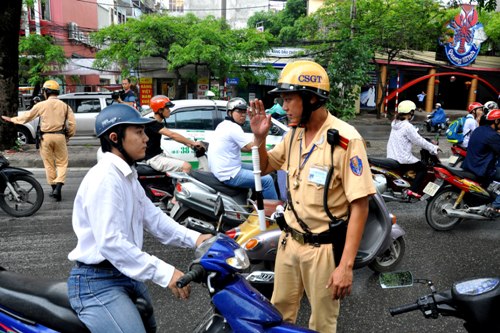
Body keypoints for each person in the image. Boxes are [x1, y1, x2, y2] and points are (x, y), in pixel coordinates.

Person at [249, 60, 375, 333]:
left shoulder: (345, 139)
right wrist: (259, 139)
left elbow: (360, 206)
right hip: (289, 243)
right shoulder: (294, 133)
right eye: (283, 99)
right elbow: (268, 165)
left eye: (289, 99)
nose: (284, 107)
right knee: (278, 313)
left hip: (323, 250)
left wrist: (345, 266)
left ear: (311, 98)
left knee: (321, 323)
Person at [67, 103, 211, 333]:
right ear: (115, 138)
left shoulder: (127, 175)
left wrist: (197, 239)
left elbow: (154, 219)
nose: (146, 138)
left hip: (124, 274)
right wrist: (166, 273)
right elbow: (111, 242)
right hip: (97, 282)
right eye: (139, 132)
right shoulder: (105, 178)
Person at [2, 80, 76, 201]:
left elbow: (27, 117)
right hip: (60, 137)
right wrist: (68, 136)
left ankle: (53, 189)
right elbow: (72, 124)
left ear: (46, 92)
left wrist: (12, 119)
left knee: (49, 164)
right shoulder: (65, 106)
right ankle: (58, 188)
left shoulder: (41, 105)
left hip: (45, 138)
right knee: (62, 163)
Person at [208, 97, 278, 200]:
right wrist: (272, 149)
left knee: (259, 167)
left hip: (225, 169)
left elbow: (244, 148)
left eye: (244, 112)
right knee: (267, 180)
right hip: (229, 174)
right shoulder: (233, 128)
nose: (243, 115)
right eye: (239, 111)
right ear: (230, 113)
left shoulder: (223, 125)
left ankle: (257, 198)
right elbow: (252, 148)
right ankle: (273, 212)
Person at [387, 100, 439, 199]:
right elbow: (419, 141)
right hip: (402, 159)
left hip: (392, 156)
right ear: (410, 112)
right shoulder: (407, 126)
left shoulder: (395, 123)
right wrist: (434, 148)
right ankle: (412, 191)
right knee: (423, 168)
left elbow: (413, 136)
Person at [145, 95, 203, 173]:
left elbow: (173, 136)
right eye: (167, 108)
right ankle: (182, 185)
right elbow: (172, 135)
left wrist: (189, 144)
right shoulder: (153, 123)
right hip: (154, 159)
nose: (169, 110)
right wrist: (193, 143)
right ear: (160, 111)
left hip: (159, 155)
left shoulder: (157, 123)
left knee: (182, 163)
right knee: (187, 166)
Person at [462, 109, 500, 214]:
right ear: (496, 121)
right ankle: (495, 206)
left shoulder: (479, 130)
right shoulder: (493, 135)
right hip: (481, 169)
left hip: (469, 165)